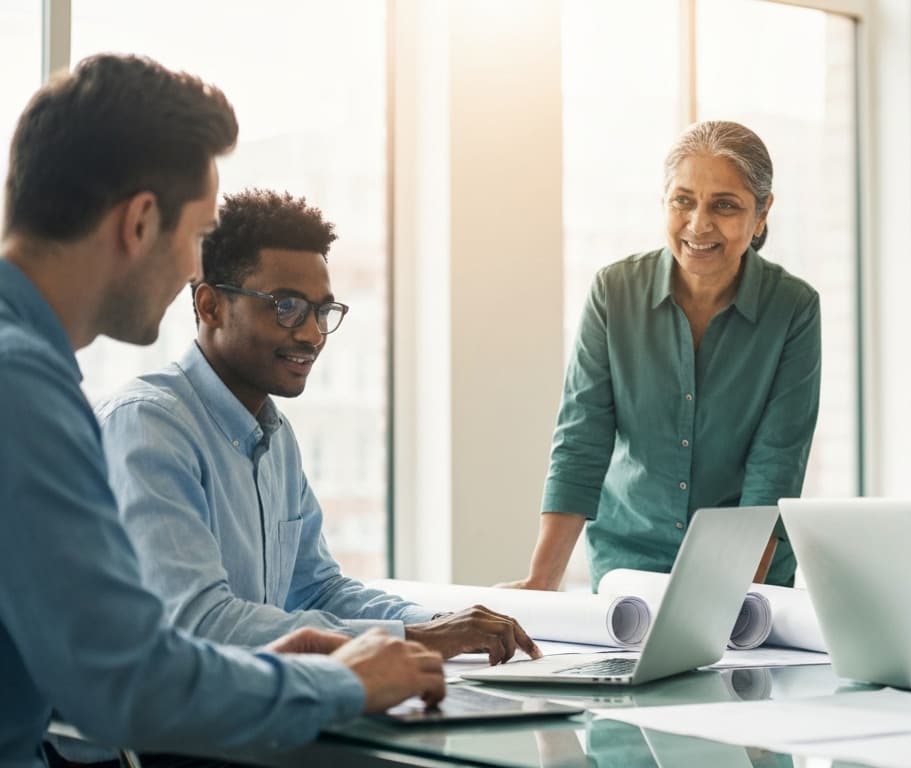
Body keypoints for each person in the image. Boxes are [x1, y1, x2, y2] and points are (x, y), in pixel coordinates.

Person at [0, 54, 444, 768]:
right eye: (199, 236)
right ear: (141, 221)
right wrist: (334, 681)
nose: (191, 271)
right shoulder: (24, 389)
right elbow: (125, 682)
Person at [95, 188, 540, 663]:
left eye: (322, 311)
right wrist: (414, 639)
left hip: (246, 716)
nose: (311, 334)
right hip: (152, 731)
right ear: (210, 307)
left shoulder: (274, 436)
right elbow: (201, 623)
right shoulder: (149, 426)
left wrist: (438, 623)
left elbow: (316, 589)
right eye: (287, 307)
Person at [501, 120, 821, 591]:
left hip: (747, 573)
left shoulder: (793, 308)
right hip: (629, 568)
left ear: (762, 212)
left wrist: (736, 598)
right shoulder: (614, 292)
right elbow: (581, 439)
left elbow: (775, 465)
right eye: (683, 201)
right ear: (664, 200)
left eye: (725, 206)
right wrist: (541, 581)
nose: (699, 224)